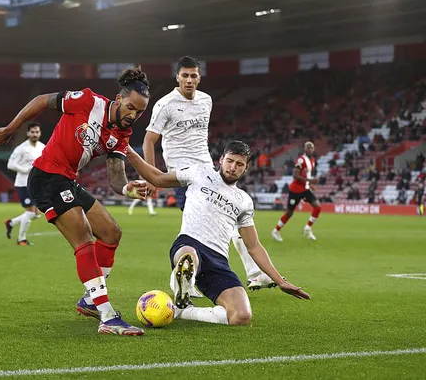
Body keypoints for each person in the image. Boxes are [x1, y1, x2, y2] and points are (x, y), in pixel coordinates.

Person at [0, 66, 150, 336]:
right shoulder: (88, 101)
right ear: (119, 99)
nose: (133, 115)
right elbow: (42, 100)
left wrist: (129, 190)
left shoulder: (121, 135)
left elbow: (116, 178)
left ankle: (89, 301)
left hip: (68, 181)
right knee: (84, 239)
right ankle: (107, 316)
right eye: (131, 107)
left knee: (111, 233)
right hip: (46, 176)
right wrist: (11, 128)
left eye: (140, 112)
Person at [126, 141, 310, 325]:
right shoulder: (199, 172)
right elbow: (157, 178)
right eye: (229, 161)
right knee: (188, 259)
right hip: (189, 244)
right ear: (221, 160)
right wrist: (128, 150)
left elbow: (253, 246)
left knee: (241, 316)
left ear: (245, 169)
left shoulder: (244, 201)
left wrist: (279, 280)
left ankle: (184, 311)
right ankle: (184, 280)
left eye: (239, 164)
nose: (232, 167)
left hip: (218, 262)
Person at [143, 56, 275, 290]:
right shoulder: (165, 104)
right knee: (197, 227)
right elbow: (149, 140)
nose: (189, 80)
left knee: (228, 218)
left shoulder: (206, 101)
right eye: (185, 75)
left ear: (199, 78)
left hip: (207, 170)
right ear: (177, 77)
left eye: (194, 75)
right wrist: (151, 177)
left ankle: (252, 272)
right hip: (182, 174)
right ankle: (184, 277)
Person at [4, 122, 46, 245]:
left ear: (40, 133)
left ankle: (11, 223)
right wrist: (25, 169)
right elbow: (10, 164)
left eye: (37, 132)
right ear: (28, 133)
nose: (35, 134)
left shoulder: (42, 147)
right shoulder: (21, 148)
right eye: (32, 132)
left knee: (37, 214)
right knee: (30, 212)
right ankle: (21, 239)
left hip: (37, 183)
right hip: (23, 183)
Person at [272, 141, 322, 241]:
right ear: (305, 149)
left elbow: (305, 175)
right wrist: (310, 180)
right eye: (308, 148)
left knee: (317, 207)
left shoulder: (312, 160)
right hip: (295, 190)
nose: (310, 149)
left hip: (305, 189)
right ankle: (276, 231)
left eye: (311, 148)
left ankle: (308, 228)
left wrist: (310, 184)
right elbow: (295, 175)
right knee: (289, 213)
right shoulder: (301, 160)